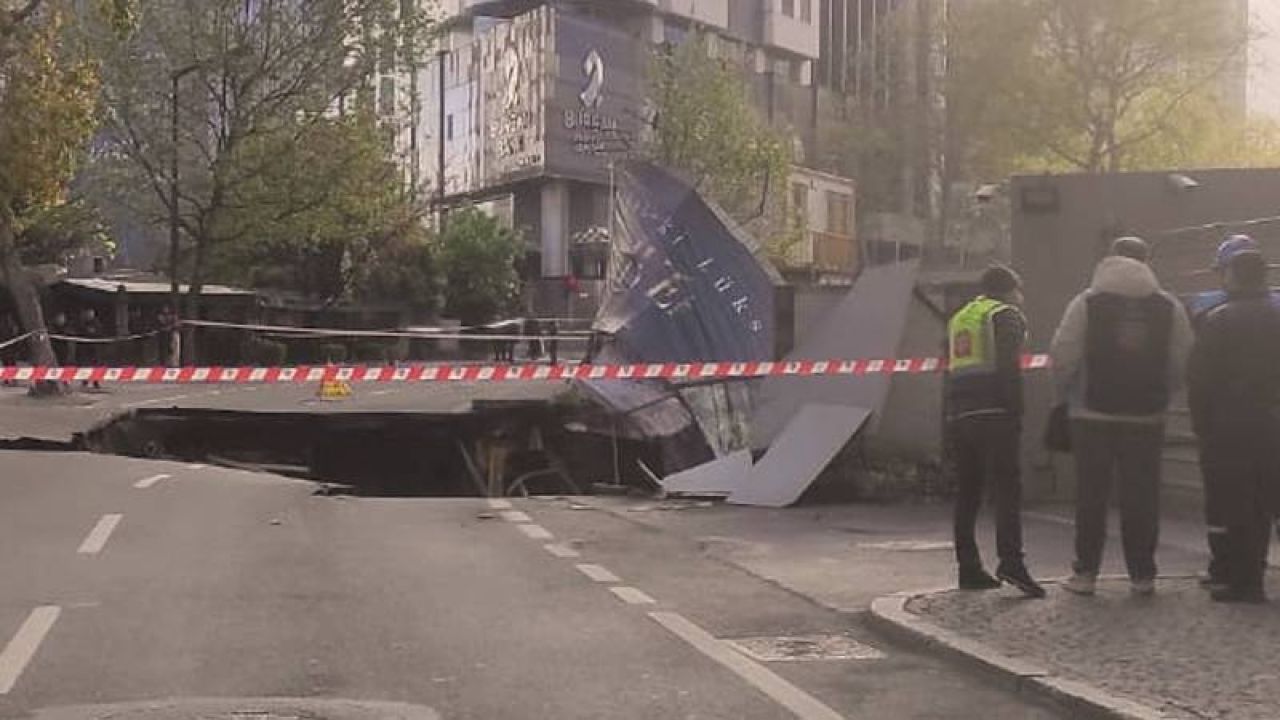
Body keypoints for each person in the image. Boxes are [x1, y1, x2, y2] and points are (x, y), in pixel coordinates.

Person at [1050, 237, 1192, 597]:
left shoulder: (1086, 303)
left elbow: (1063, 354)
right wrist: (1163, 391)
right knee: (1142, 496)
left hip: (1091, 414)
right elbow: (1184, 358)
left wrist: (1067, 393)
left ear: (1109, 259)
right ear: (1147, 261)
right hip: (1147, 417)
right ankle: (1143, 574)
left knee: (1091, 496)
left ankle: (1085, 574)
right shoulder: (1168, 306)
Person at [946, 265, 1045, 598]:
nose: (1020, 296)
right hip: (995, 414)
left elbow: (949, 369)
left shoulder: (961, 317)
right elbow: (1008, 368)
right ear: (1007, 289)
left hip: (961, 415)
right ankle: (1011, 563)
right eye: (1018, 289)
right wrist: (1016, 410)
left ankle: (969, 568)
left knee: (968, 494)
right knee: (1006, 491)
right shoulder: (1005, 315)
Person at [1188, 247, 1280, 603]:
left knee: (1241, 506)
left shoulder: (1219, 319)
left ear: (1232, 276)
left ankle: (1245, 581)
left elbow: (1199, 380)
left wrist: (1203, 427)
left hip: (1231, 427)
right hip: (1274, 423)